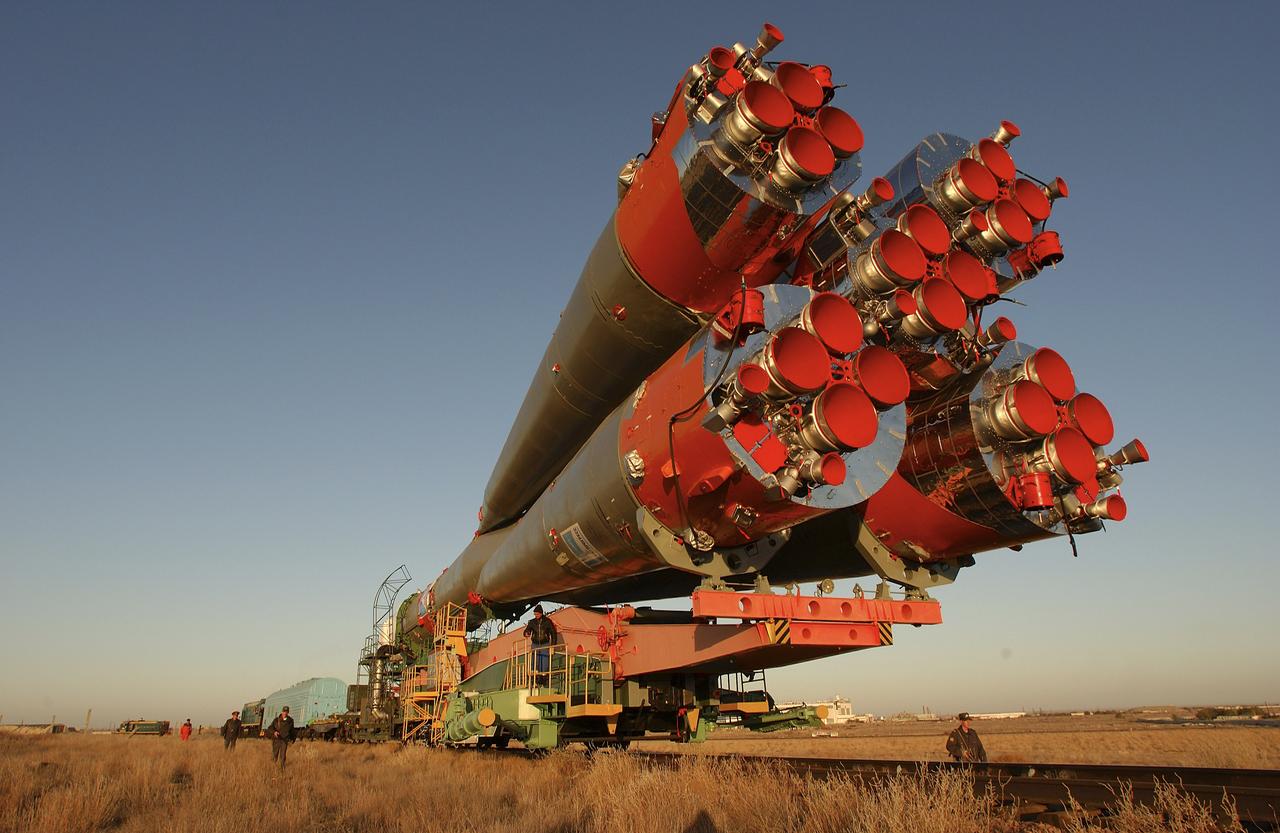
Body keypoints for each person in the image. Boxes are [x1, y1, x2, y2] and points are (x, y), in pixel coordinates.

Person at [522, 604, 559, 686]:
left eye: (537, 614)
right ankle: (535, 679)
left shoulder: (547, 622)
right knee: (534, 662)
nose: (536, 615)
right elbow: (527, 630)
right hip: (535, 644)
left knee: (545, 663)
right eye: (535, 614)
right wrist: (526, 633)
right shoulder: (532, 622)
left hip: (544, 644)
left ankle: (543, 679)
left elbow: (553, 633)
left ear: (541, 613)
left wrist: (553, 645)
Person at [266, 706, 294, 771]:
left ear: (288, 712)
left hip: (284, 740)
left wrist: (292, 740)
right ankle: (272, 768)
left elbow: (292, 731)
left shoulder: (290, 721)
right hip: (276, 740)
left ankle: (282, 769)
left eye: (286, 712)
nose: (285, 713)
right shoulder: (276, 720)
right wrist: (274, 732)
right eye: (284, 711)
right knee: (275, 754)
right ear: (282, 712)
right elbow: (270, 728)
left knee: (283, 756)